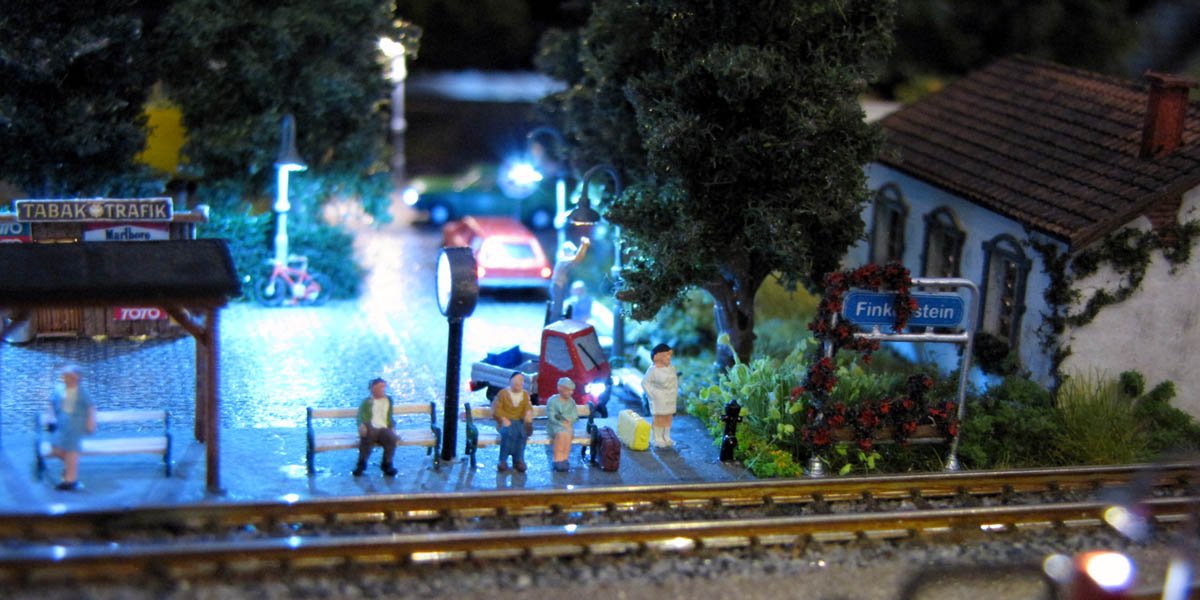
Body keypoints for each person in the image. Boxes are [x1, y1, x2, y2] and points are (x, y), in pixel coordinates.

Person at [46, 364, 96, 491]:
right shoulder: (59, 389)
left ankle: (70, 481)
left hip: (76, 425)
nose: (68, 379)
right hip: (61, 424)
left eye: (71, 377)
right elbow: (51, 403)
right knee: (55, 448)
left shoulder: (82, 392)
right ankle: (69, 468)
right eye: (66, 376)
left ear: (78, 378)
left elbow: (91, 408)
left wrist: (91, 423)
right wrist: (50, 418)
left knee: (72, 451)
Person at [355, 377, 398, 477]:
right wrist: (361, 425)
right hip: (370, 427)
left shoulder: (388, 400)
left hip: (384, 428)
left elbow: (389, 416)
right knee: (367, 439)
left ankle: (387, 464)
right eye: (379, 388)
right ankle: (361, 464)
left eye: (383, 387)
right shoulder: (367, 402)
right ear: (372, 389)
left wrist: (392, 427)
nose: (382, 390)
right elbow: (360, 416)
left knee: (391, 439)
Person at [493, 371, 533, 473]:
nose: (519, 383)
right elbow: (496, 409)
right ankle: (503, 460)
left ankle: (518, 460)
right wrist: (503, 418)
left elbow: (527, 407)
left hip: (519, 422)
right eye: (516, 381)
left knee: (522, 434)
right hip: (505, 422)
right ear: (510, 381)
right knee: (508, 433)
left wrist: (528, 414)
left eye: (521, 381)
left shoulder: (525, 395)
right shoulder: (503, 393)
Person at [642, 343, 678, 449]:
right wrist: (652, 395)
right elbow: (645, 383)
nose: (669, 357)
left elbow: (675, 382)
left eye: (669, 355)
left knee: (668, 417)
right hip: (659, 397)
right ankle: (657, 438)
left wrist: (674, 393)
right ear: (658, 356)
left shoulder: (671, 368)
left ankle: (666, 436)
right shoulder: (653, 370)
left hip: (670, 397)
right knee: (659, 417)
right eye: (666, 355)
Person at [547, 237, 590, 324]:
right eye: (572, 252)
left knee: (558, 307)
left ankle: (556, 323)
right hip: (557, 286)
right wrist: (583, 245)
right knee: (557, 308)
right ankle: (554, 324)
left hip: (559, 286)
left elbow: (577, 260)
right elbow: (577, 259)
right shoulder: (563, 260)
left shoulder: (563, 261)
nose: (573, 253)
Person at [546, 377, 580, 472]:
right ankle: (557, 459)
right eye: (568, 390)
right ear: (561, 389)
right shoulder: (552, 401)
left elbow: (574, 415)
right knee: (561, 435)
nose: (571, 393)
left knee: (568, 435)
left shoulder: (571, 402)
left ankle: (565, 458)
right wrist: (560, 422)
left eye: (572, 390)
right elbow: (551, 415)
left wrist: (569, 421)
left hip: (567, 425)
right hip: (554, 426)